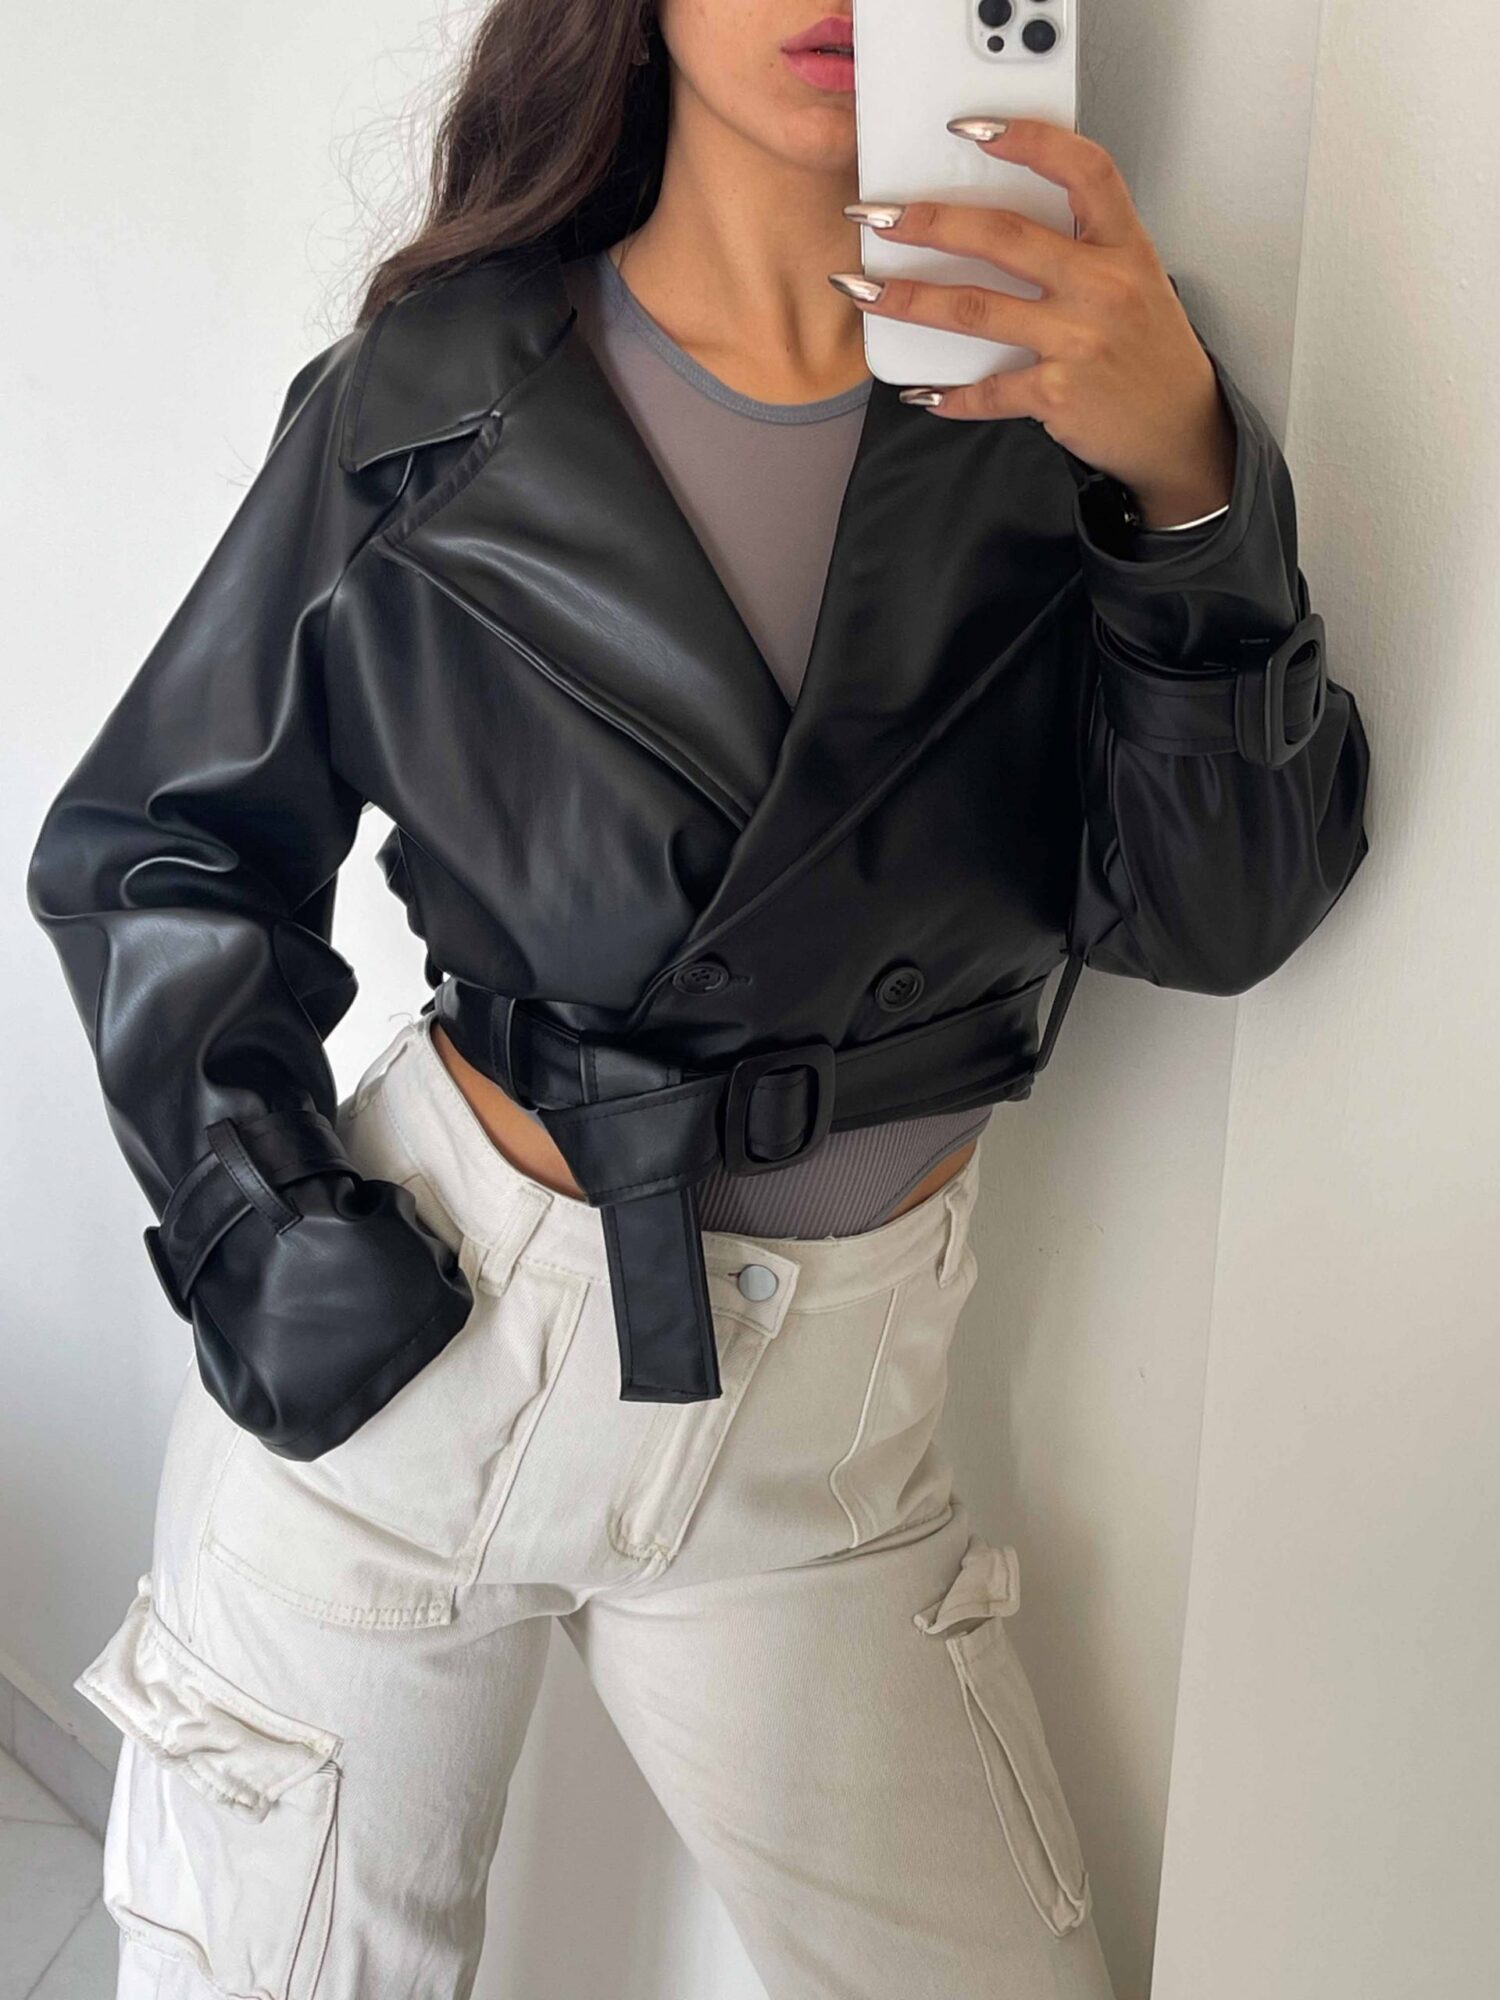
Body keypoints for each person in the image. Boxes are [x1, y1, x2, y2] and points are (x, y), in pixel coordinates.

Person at [26, 2, 1371, 1995]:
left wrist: (1188, 492)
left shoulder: (1093, 395)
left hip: (828, 1440)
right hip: (433, 1344)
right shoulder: (428, 398)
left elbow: (1218, 917)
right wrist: (270, 1234)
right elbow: (158, 845)